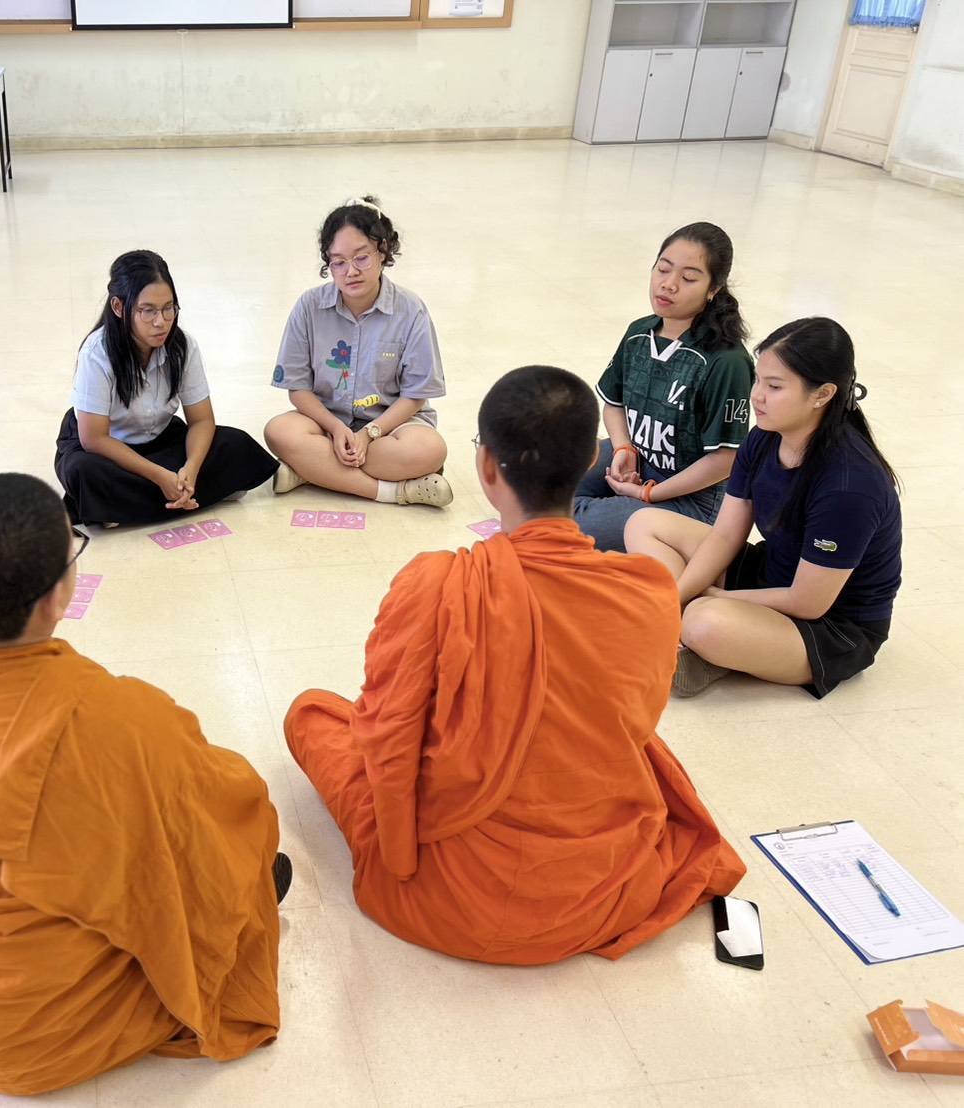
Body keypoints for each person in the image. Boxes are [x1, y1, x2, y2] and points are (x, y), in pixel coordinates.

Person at [0, 474, 289, 1095]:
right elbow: (225, 807)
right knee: (234, 837)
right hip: (45, 1039)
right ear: (58, 594)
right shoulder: (117, 718)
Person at [283, 366, 745, 965]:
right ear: (590, 462)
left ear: (486, 467)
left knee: (313, 713)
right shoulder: (649, 589)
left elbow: (388, 739)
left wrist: (398, 860)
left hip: (453, 894)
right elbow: (631, 718)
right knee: (633, 744)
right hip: (602, 887)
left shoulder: (436, 583)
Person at [626, 318, 901, 699]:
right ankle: (697, 642)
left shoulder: (849, 486)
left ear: (822, 394)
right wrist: (675, 599)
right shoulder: (763, 438)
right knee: (645, 523)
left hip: (828, 625)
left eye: (774, 387)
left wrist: (710, 598)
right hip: (771, 577)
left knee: (705, 620)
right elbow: (725, 536)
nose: (757, 396)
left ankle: (704, 640)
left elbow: (808, 602)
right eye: (758, 381)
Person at [54, 250, 278, 526]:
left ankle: (125, 508)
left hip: (160, 440)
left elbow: (202, 421)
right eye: (147, 311)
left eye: (168, 308)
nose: (161, 321)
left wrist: (190, 469)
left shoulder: (183, 346)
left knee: (235, 444)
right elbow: (95, 439)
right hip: (108, 449)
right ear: (119, 308)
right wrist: (160, 476)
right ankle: (175, 497)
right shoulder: (96, 353)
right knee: (83, 472)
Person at [574, 221, 755, 551]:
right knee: (544, 487)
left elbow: (725, 460)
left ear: (713, 289)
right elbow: (614, 403)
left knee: (571, 523)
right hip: (640, 461)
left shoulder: (726, 362)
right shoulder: (639, 332)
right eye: (663, 269)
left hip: (692, 500)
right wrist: (624, 448)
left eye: (689, 278)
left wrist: (649, 493)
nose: (668, 284)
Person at [264, 196, 452, 508]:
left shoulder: (411, 310)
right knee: (279, 432)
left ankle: (311, 471)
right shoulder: (309, 306)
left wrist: (369, 434)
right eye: (338, 262)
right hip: (326, 423)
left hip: (391, 427)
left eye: (361, 258)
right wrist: (336, 428)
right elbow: (297, 389)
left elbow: (416, 394)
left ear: (383, 251)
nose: (350, 271)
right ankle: (396, 492)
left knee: (429, 450)